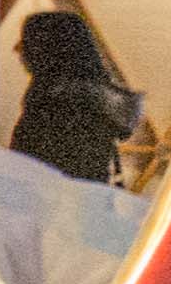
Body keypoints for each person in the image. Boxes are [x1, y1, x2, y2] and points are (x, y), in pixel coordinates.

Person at [10, 10, 152, 188]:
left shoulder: (62, 110)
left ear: (49, 50)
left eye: (28, 44)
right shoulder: (85, 103)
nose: (19, 51)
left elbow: (43, 182)